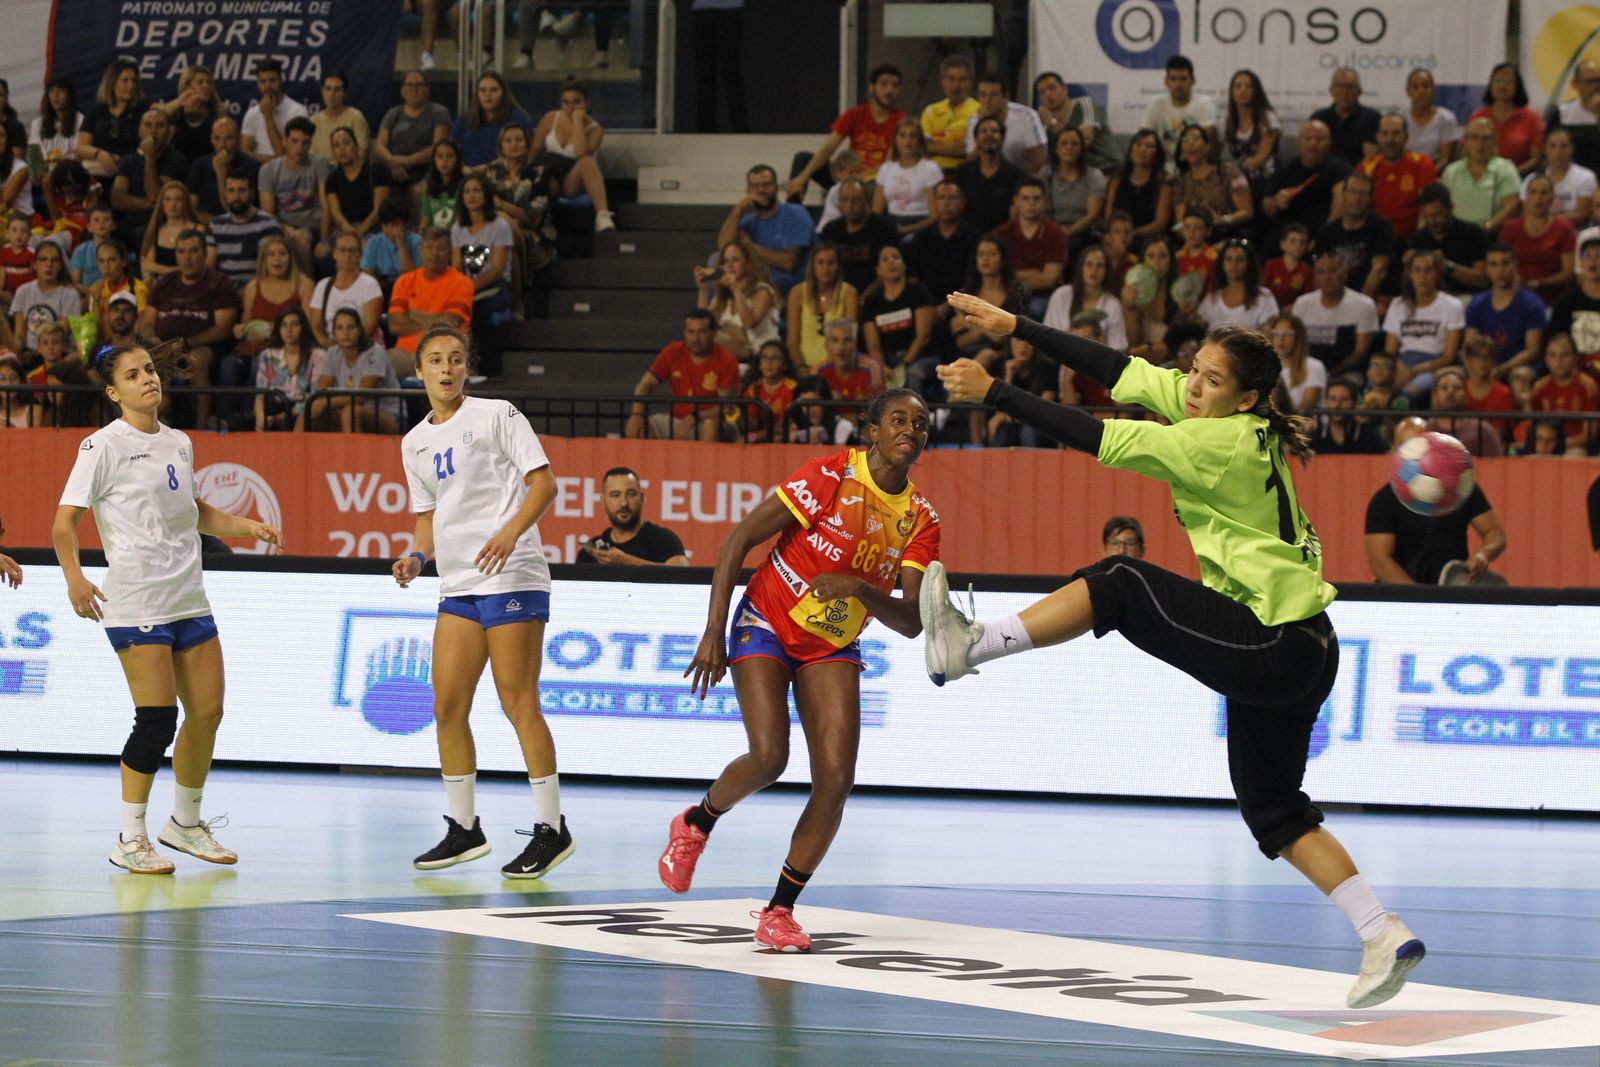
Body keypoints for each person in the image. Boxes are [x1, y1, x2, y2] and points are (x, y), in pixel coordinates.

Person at [925, 293, 1426, 1010]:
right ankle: (1382, 932)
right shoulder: (1220, 414)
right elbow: (1119, 369)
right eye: (1194, 370)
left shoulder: (1211, 443)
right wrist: (1019, 329)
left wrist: (997, 390)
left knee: (1121, 580)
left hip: (1274, 641)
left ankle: (970, 644)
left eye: (1211, 380)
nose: (1192, 385)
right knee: (1277, 813)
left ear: (1246, 397)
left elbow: (1098, 438)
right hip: (1310, 642)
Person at [661, 389, 940, 953]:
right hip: (766, 618)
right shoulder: (830, 475)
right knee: (770, 757)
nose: (910, 428)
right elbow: (737, 540)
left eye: (921, 422)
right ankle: (697, 822)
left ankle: (780, 910)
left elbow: (911, 623)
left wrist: (860, 588)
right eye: (898, 418)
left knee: (836, 781)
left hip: (832, 643)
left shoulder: (921, 520)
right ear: (872, 431)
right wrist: (713, 630)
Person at [53, 341, 284, 875]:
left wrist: (246, 524)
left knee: (207, 714)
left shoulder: (178, 442)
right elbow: (64, 523)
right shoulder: (101, 447)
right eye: (133, 375)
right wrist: (74, 578)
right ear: (114, 392)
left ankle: (184, 824)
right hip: (136, 601)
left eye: (150, 371)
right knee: (157, 720)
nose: (147, 380)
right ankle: (129, 836)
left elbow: (193, 510)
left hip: (188, 597)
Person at [394, 325, 573, 878]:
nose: (447, 369)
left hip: (512, 574)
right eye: (435, 361)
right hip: (458, 585)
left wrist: (511, 532)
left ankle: (552, 830)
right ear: (418, 371)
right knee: (447, 707)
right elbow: (427, 519)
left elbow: (543, 484)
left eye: (455, 359)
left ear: (466, 367)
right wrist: (416, 558)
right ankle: (464, 830)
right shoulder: (413, 442)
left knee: (518, 702)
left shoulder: (498, 414)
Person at [1365, 418, 1506, 583]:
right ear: (1395, 451)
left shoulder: (1461, 488)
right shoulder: (1384, 499)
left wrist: (1484, 555)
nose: (1414, 451)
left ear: (1432, 442)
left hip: (1451, 590)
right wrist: (1418, 599)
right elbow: (1380, 562)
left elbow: (1495, 533)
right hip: (1402, 598)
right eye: (1406, 445)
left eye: (1417, 443)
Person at [138, 229, 239, 428]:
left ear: (204, 253)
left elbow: (223, 329)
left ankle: (200, 428)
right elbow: (146, 323)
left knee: (196, 360)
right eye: (182, 252)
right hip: (164, 347)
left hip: (206, 347)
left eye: (193, 251)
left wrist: (184, 344)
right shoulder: (165, 283)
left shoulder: (219, 283)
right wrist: (153, 339)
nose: (187, 257)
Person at [787, 64, 905, 201]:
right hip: (847, 175)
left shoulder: (901, 121)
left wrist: (857, 178)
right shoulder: (855, 114)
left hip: (875, 182)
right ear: (872, 87)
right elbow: (829, 148)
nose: (890, 90)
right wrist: (802, 178)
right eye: (884, 84)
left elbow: (889, 165)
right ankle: (792, 212)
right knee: (803, 159)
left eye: (895, 86)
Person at [627, 309, 739, 441]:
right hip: (676, 420)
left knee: (710, 426)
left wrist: (694, 417)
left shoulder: (727, 360)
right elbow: (646, 384)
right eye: (690, 332)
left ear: (713, 333)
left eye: (702, 332)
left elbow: (726, 407)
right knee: (636, 427)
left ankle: (705, 462)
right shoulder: (673, 351)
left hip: (712, 421)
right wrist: (637, 413)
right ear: (684, 333)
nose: (695, 339)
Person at [529, 78, 616, 233]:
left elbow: (581, 152)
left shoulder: (596, 130)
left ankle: (602, 215)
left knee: (587, 161)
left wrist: (577, 121)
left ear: (586, 103)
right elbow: (534, 151)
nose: (570, 107)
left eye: (576, 102)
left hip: (573, 178)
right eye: (566, 102)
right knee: (539, 174)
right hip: (550, 173)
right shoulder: (550, 118)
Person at [388, 227, 475, 378]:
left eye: (441, 248)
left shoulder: (462, 283)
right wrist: (434, 324)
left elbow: (449, 324)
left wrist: (414, 314)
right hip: (404, 354)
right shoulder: (405, 281)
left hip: (445, 354)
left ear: (449, 253)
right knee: (379, 363)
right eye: (429, 247)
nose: (434, 253)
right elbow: (395, 325)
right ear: (421, 250)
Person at [717, 164, 814, 296]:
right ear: (748, 191)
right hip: (755, 281)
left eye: (767, 184)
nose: (761, 190)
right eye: (755, 186)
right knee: (716, 266)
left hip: (791, 283)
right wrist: (739, 207)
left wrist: (749, 247)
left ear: (776, 187)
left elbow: (788, 262)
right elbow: (723, 247)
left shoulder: (796, 214)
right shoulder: (748, 222)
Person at [1383, 249, 1464, 402]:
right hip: (1402, 361)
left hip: (1434, 364)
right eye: (1417, 270)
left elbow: (1449, 355)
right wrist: (1397, 368)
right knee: (1374, 390)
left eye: (1428, 270)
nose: (1423, 276)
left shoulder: (1452, 305)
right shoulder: (1398, 305)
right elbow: (1390, 351)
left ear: (1436, 274)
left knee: (1406, 396)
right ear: (1410, 275)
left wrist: (1414, 371)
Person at [308, 306, 403, 433]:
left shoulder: (375, 352)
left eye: (351, 327)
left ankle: (351, 453)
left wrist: (325, 403)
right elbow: (322, 391)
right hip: (347, 410)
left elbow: (360, 397)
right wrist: (318, 404)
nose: (345, 333)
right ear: (334, 333)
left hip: (389, 415)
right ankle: (294, 451)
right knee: (310, 411)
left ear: (359, 330)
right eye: (340, 328)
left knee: (351, 411)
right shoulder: (332, 353)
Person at [1465, 245, 1549, 385]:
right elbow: (1469, 347)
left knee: (1520, 377)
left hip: (1518, 366)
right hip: (1482, 365)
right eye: (1493, 264)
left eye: (1505, 263)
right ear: (1487, 269)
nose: (1500, 270)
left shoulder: (1532, 304)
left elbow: (1533, 350)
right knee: (1447, 376)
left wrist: (1502, 369)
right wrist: (1476, 370)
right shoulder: (1476, 304)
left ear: (1514, 265)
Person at [110, 106, 189, 248]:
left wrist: (149, 158)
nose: (153, 131)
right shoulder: (128, 159)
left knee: (144, 234)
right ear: (140, 131)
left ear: (169, 132)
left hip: (159, 222)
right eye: (148, 125)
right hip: (128, 223)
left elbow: (155, 194)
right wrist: (153, 204)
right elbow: (117, 199)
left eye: (159, 126)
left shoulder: (176, 159)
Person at [576, 467, 689, 566]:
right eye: (615, 495)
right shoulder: (592, 553)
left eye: (631, 494)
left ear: (642, 498)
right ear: (603, 501)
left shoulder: (663, 540)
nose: (624, 503)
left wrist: (626, 561)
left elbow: (683, 575)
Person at [258, 117, 329, 270]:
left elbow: (325, 204)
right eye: (294, 141)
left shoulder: (319, 163)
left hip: (310, 225)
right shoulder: (268, 170)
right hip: (281, 224)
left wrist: (324, 240)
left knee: (300, 240)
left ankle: (308, 289)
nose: (299, 147)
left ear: (310, 144)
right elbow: (268, 212)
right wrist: (285, 228)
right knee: (263, 243)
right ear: (285, 141)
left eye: (305, 142)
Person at [1293, 251, 1379, 376]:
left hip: (1347, 373)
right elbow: (1296, 345)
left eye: (1333, 270)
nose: (1327, 277)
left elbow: (1360, 352)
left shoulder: (1364, 305)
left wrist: (1330, 375)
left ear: (1345, 273)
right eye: (1321, 272)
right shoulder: (1302, 303)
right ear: (1314, 277)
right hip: (1307, 372)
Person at [695, 235, 779, 361]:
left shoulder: (762, 291)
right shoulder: (724, 295)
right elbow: (704, 323)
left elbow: (749, 323)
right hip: (732, 357)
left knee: (710, 338)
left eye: (735, 260)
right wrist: (703, 290)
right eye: (725, 261)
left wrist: (735, 289)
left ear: (748, 263)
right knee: (701, 335)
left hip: (760, 358)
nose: (729, 266)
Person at [451, 173, 516, 336]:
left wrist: (470, 288)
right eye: (467, 191)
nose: (471, 195)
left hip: (495, 286)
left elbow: (496, 270)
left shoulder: (500, 226)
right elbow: (457, 267)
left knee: (476, 313)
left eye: (477, 191)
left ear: (486, 195)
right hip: (467, 287)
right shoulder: (457, 228)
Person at [860, 244, 934, 384]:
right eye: (885, 259)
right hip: (888, 360)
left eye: (895, 257)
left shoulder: (918, 293)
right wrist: (881, 367)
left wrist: (904, 365)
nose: (891, 261)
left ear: (904, 265)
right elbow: (873, 345)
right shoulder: (872, 303)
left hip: (921, 358)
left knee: (912, 375)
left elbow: (923, 337)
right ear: (879, 270)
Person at [1315, 171, 1394, 300]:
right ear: (1344, 195)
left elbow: (1379, 270)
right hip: (1334, 299)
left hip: (1369, 299)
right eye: (1352, 192)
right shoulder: (1326, 232)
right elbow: (1320, 272)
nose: (1357, 199)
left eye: (1363, 194)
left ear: (1370, 198)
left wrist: (1359, 304)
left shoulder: (1381, 227)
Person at [1359, 112, 1438, 243]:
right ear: (1377, 137)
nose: (1390, 139)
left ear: (1406, 137)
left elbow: (1427, 209)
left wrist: (1418, 244)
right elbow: (1359, 210)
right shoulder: (1365, 168)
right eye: (1385, 133)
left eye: (1396, 133)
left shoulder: (1422, 164)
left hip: (1411, 238)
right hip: (1374, 240)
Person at [995, 176, 1067, 318]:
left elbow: (1049, 279)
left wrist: (1015, 277)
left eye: (1036, 199)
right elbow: (998, 276)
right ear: (1016, 201)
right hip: (1007, 296)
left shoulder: (1056, 233)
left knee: (1032, 312)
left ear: (1045, 201)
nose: (1031, 204)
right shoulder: (1002, 233)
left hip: (1045, 297)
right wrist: (1034, 273)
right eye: (1025, 198)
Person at [1262, 120, 1349, 237]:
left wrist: (1323, 238)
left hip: (1322, 233)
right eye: (1307, 139)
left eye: (1320, 139)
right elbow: (1267, 208)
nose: (1313, 144)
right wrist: (1276, 202)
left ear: (1330, 143)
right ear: (1298, 143)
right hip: (1287, 236)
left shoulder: (1340, 168)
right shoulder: (1285, 168)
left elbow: (1340, 208)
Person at [1499, 174, 1575, 303]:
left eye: (1544, 193)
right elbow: (1500, 262)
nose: (1538, 199)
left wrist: (1542, 283)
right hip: (1514, 296)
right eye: (1533, 192)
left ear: (1552, 198)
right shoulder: (1510, 227)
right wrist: (1514, 278)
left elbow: (1568, 272)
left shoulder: (1564, 228)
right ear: (1526, 197)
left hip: (1552, 299)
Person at [818, 178, 900, 296]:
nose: (850, 205)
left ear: (866, 202)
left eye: (856, 200)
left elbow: (887, 273)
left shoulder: (885, 228)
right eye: (845, 200)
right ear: (839, 205)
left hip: (876, 295)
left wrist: (863, 299)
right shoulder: (830, 231)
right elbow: (821, 270)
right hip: (838, 296)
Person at [1440, 118, 1521, 232]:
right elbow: (1443, 206)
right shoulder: (1452, 171)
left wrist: (1486, 228)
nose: (1480, 144)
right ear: (1465, 141)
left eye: (1486, 138)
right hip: (1456, 234)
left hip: (1492, 234)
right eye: (1474, 137)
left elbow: (1512, 206)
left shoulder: (1505, 168)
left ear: (1494, 142)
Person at [785, 241, 855, 371]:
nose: (825, 269)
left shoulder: (849, 293)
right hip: (805, 368)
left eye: (831, 263)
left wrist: (828, 370)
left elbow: (850, 339)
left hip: (838, 369)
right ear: (812, 265)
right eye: (820, 262)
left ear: (838, 266)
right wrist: (802, 368)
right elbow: (792, 342)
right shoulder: (797, 293)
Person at [1033, 70, 1120, 175]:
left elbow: (1084, 141)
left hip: (1109, 168)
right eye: (1042, 92)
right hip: (1075, 175)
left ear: (1065, 89)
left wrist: (1052, 123)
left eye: (1052, 88)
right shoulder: (1044, 120)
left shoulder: (1085, 103)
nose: (1048, 94)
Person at [1407, 183, 1489, 295]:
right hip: (1431, 299)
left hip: (1466, 297)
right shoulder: (1420, 238)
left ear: (1451, 207)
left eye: (1437, 215)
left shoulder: (1471, 232)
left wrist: (1447, 266)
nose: (1432, 222)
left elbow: (1483, 279)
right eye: (1426, 216)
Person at [905, 180, 979, 304]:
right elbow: (914, 278)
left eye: (953, 198)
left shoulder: (974, 238)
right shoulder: (921, 238)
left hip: (963, 304)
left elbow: (974, 280)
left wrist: (947, 306)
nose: (947, 203)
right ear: (933, 203)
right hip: (927, 304)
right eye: (941, 198)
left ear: (962, 203)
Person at [375, 71, 451, 189]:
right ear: (402, 91)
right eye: (409, 85)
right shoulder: (393, 113)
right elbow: (379, 145)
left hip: (426, 166)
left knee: (418, 190)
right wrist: (393, 161)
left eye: (419, 85)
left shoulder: (438, 112)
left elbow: (438, 147)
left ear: (427, 90)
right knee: (376, 174)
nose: (414, 89)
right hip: (394, 165)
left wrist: (408, 160)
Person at [1044, 244, 1128, 352]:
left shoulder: (1113, 305)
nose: (1094, 269)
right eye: (1089, 264)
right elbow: (1048, 338)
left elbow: (1118, 347)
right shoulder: (1061, 295)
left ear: (1107, 271)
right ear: (1081, 267)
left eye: (1100, 266)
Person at [1172, 124, 1252, 236]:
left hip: (1227, 235)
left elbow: (1247, 212)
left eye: (1196, 139)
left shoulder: (1228, 171)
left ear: (1207, 146)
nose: (1190, 143)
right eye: (1185, 140)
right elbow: (1180, 224)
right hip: (1194, 241)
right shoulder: (1181, 181)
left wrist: (1222, 220)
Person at [962, 71, 1047, 175]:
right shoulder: (974, 120)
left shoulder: (1026, 116)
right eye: (983, 95)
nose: (987, 101)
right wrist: (982, 125)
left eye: (993, 95)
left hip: (1021, 178)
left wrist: (1014, 181)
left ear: (1005, 96)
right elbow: (971, 162)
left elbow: (1036, 161)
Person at [1141, 55, 1216, 171]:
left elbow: (1208, 142)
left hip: (1192, 166)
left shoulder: (1205, 103)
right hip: (1159, 167)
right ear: (1166, 81)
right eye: (1173, 79)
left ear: (1193, 80)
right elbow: (1143, 136)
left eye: (1183, 79)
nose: (1178, 84)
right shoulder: (1156, 103)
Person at [1528, 332, 1599, 454]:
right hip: (1545, 446)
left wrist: (1558, 445)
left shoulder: (1588, 386)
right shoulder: (1539, 388)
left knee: (1575, 454)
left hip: (1576, 447)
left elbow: (1590, 434)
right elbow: (1533, 428)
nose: (1559, 361)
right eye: (1553, 355)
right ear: (1546, 360)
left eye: (1565, 355)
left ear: (1576, 358)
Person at [950, 116, 1024, 234]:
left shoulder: (1016, 175)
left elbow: (1016, 217)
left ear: (1003, 138)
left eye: (994, 131)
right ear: (976, 139)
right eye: (983, 131)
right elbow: (955, 210)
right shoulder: (962, 172)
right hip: (968, 239)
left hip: (1002, 240)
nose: (989, 135)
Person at [984, 334, 1059, 447]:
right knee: (1000, 433)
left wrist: (1005, 416)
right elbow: (998, 407)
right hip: (1009, 424)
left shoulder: (1048, 368)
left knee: (1028, 432)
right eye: (1019, 340)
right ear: (1010, 343)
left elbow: (1043, 410)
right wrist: (1008, 376)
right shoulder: (998, 365)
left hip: (1037, 426)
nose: (1024, 346)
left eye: (1029, 341)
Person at [253, 305, 320, 432]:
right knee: (237, 422)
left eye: (294, 325)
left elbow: (313, 398)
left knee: (287, 424)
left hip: (300, 411)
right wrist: (261, 420)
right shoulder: (267, 354)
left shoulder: (316, 356)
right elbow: (259, 396)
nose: (289, 330)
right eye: (284, 325)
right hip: (272, 408)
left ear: (303, 328)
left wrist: (277, 418)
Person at [871, 120, 943, 237]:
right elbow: (876, 213)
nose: (907, 141)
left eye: (913, 136)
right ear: (895, 139)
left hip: (921, 224)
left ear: (919, 141)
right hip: (891, 222)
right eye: (902, 135)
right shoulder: (886, 168)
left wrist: (906, 230)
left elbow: (935, 216)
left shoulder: (930, 168)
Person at [209, 173, 281, 289]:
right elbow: (209, 266)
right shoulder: (216, 225)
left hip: (257, 288)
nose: (236, 196)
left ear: (252, 194)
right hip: (224, 290)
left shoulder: (267, 223)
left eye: (242, 191)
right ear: (225, 194)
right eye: (231, 191)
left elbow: (268, 268)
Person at [1470, 63, 1543, 176]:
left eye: (1508, 81)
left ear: (1517, 86)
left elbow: (1536, 159)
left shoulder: (1531, 117)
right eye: (1498, 80)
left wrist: (1510, 176)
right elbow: (1469, 153)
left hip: (1520, 178)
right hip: (1482, 177)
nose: (1502, 86)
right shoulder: (1478, 116)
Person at [1218, 68, 1280, 202]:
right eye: (1238, 86)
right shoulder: (1225, 122)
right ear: (1231, 92)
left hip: (1267, 179)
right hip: (1238, 179)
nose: (1242, 90)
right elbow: (1213, 155)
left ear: (1256, 91)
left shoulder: (1268, 119)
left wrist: (1229, 170)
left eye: (1248, 86)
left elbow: (1259, 159)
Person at [323, 126, 391, 245]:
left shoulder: (377, 170)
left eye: (346, 142)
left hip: (373, 229)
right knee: (322, 251)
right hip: (345, 230)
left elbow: (379, 209)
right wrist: (350, 232)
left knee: (364, 246)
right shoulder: (332, 178)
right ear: (333, 152)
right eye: (337, 145)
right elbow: (336, 213)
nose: (342, 149)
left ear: (356, 145)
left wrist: (360, 232)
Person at [690, 0, 751, 132]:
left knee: (730, 71)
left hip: (730, 9)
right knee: (705, 74)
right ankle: (705, 129)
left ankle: (741, 129)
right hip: (701, 10)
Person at [452, 73, 534, 171]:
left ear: (503, 93)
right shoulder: (465, 119)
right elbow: (451, 149)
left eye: (494, 90)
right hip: (468, 175)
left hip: (503, 173)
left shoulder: (517, 118)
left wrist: (488, 168)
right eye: (483, 90)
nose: (488, 94)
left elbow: (522, 153)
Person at [12, 241, 82, 354]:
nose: (48, 264)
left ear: (60, 266)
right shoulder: (22, 291)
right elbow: (19, 333)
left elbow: (61, 334)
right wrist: (17, 351)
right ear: (34, 264)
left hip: (58, 354)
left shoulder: (70, 294)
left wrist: (37, 354)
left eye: (54, 260)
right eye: (43, 259)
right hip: (29, 352)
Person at [186, 117, 260, 223]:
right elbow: (190, 210)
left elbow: (238, 214)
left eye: (229, 138)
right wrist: (218, 223)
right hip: (207, 226)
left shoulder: (251, 166)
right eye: (217, 138)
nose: (223, 145)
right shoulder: (200, 165)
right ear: (211, 139)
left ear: (238, 139)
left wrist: (221, 173)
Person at [77, 59, 144, 175]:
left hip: (131, 174)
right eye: (125, 80)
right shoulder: (96, 109)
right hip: (99, 173)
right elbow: (81, 148)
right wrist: (100, 154)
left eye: (134, 81)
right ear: (112, 83)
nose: (131, 85)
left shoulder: (142, 109)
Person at [1197, 239, 1278, 330]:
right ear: (1222, 264)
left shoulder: (1264, 297)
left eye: (1240, 259)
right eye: (1229, 259)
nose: (1234, 264)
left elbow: (1269, 336)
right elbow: (1198, 330)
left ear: (1249, 263)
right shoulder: (1212, 298)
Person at [1040, 127, 1105, 241]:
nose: (1069, 147)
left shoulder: (1094, 175)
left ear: (1081, 149)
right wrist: (1055, 231)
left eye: (1074, 144)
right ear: (1056, 149)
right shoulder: (1045, 174)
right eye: (1064, 143)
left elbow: (1092, 215)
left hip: (1084, 233)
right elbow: (1038, 207)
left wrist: (1070, 230)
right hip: (1049, 231)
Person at [1104, 129, 1171, 239]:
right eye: (1138, 144)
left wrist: (1133, 234)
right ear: (1131, 149)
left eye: (1149, 146)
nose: (1142, 149)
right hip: (1116, 237)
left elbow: (1161, 224)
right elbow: (1108, 216)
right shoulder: (1118, 178)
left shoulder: (1164, 181)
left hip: (1148, 239)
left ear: (1157, 154)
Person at [140, 179, 211, 281]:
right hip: (161, 288)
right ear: (162, 203)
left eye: (178, 199)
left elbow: (195, 268)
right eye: (168, 199)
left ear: (185, 202)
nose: (173, 204)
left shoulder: (198, 229)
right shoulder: (155, 231)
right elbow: (147, 268)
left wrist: (157, 268)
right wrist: (148, 278)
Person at [240, 59, 309, 163]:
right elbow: (244, 155)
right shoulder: (252, 113)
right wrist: (273, 160)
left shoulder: (298, 112)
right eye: (263, 81)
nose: (268, 86)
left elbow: (288, 156)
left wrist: (268, 116)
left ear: (281, 81)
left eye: (272, 80)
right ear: (258, 84)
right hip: (257, 171)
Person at [1122, 234, 1176, 362]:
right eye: (1151, 256)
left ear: (1171, 261)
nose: (1157, 261)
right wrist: (1129, 307)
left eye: (1163, 256)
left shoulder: (1180, 292)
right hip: (1141, 363)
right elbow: (1132, 344)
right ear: (1143, 261)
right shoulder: (1131, 292)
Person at [920, 55, 980, 172]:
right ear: (943, 82)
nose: (956, 85)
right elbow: (923, 147)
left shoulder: (979, 111)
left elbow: (970, 149)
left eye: (962, 79)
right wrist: (957, 148)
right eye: (951, 79)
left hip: (966, 173)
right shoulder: (930, 111)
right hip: (934, 174)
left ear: (971, 83)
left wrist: (935, 148)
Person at [1311, 68, 1380, 167]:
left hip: (1357, 176)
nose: (1345, 92)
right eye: (1340, 86)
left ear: (1359, 91)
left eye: (1350, 87)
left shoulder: (1372, 118)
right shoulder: (1318, 119)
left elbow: (1370, 160)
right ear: (1331, 90)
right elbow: (1313, 155)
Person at [160, 66, 225, 165]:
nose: (206, 86)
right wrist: (179, 102)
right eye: (200, 82)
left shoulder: (219, 113)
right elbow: (157, 116)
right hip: (178, 169)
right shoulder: (176, 112)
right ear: (187, 87)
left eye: (209, 82)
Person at [736, 339, 799, 442]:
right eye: (764, 357)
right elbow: (753, 424)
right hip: (760, 438)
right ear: (759, 364)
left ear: (785, 365)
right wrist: (740, 420)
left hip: (784, 438)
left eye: (775, 358)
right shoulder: (752, 389)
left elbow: (782, 426)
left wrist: (754, 436)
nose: (769, 362)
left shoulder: (792, 388)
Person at [1311, 375, 1386, 454]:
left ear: (1354, 403)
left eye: (1344, 399)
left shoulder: (1368, 435)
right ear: (1326, 402)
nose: (1337, 405)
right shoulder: (1316, 435)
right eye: (1332, 399)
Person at [1403, 67, 1460, 169]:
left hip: (1436, 173)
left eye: (1425, 86)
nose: (1421, 91)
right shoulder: (1400, 119)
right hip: (1405, 171)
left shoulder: (1446, 118)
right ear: (1408, 91)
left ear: (1433, 90)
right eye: (1415, 87)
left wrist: (1427, 176)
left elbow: (1445, 159)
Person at [309, 71, 370, 161]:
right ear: (322, 91)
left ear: (345, 93)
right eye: (328, 88)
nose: (332, 94)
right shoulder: (313, 121)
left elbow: (362, 153)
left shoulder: (356, 117)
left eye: (337, 89)